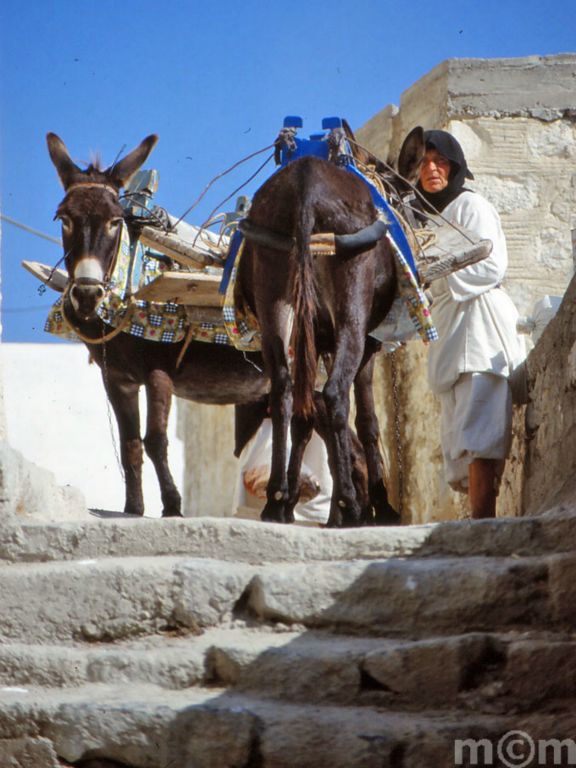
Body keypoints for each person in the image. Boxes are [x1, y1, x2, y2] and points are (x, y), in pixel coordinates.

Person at [414, 129, 525, 519]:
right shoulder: (431, 218)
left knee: (479, 427)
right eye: (423, 162)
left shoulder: (470, 206)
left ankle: (483, 521)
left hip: (479, 325)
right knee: (461, 431)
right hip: (451, 327)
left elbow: (492, 266)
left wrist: (440, 277)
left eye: (439, 161)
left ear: (454, 165)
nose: (431, 169)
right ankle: (477, 518)